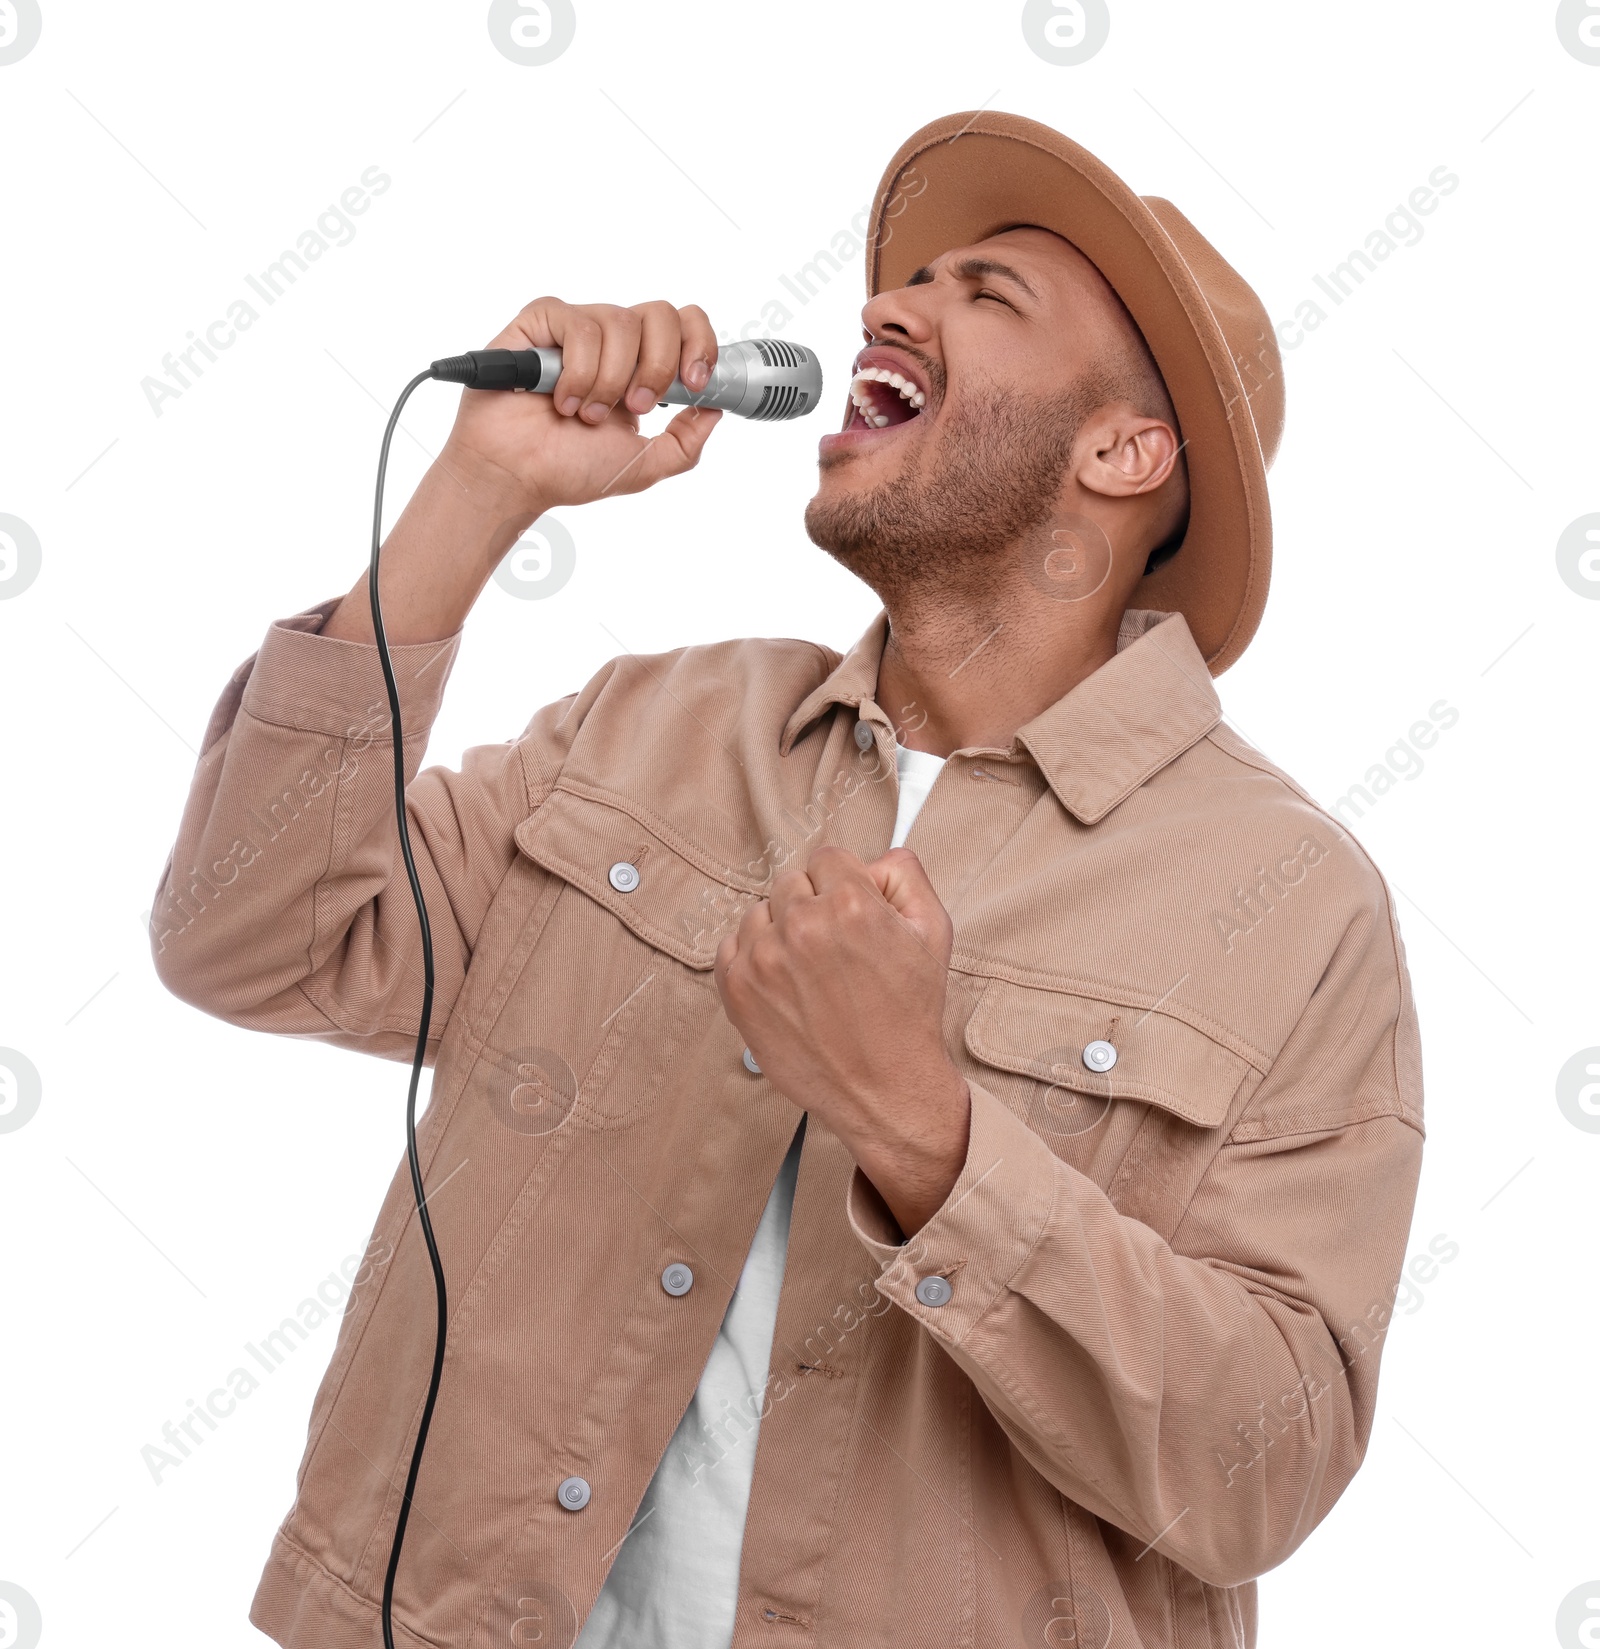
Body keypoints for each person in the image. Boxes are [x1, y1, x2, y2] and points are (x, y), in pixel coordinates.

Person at [151, 111, 1425, 1649]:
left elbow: (1263, 1463)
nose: (887, 307)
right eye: (912, 281)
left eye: (987, 297)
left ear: (1123, 450)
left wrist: (931, 1133)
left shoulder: (1291, 900)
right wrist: (474, 501)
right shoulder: (652, 727)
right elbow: (247, 934)